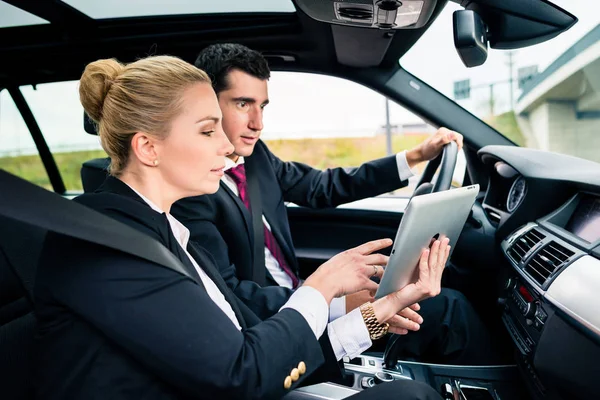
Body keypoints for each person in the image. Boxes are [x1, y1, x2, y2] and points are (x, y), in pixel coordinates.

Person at [33, 55, 447, 399]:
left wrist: (376, 313)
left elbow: (253, 340)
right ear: (148, 148)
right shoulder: (109, 242)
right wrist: (321, 288)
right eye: (208, 130)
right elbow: (243, 372)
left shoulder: (166, 230)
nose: (228, 145)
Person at [171, 43, 497, 365]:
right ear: (207, 103)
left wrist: (415, 156)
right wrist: (335, 302)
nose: (258, 123)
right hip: (277, 325)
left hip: (302, 295)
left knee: (420, 295)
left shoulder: (255, 158)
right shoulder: (190, 195)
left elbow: (322, 186)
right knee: (447, 310)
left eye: (263, 106)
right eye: (243, 104)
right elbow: (234, 296)